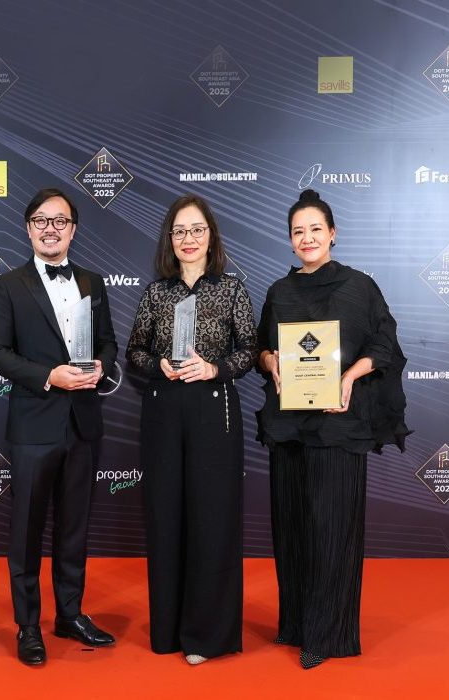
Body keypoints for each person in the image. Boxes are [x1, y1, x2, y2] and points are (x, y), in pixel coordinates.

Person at [256, 189, 410, 669]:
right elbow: (263, 348)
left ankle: (328, 634)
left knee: (331, 528)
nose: (307, 238)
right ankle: (296, 624)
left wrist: (348, 377)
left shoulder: (359, 287)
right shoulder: (279, 292)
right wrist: (272, 364)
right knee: (292, 527)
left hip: (339, 426)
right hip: (289, 426)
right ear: (290, 239)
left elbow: (385, 344)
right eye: (298, 231)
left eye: (315, 229)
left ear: (333, 234)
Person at [0, 188, 118, 666]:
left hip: (83, 423)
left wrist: (101, 365)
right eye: (41, 220)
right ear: (28, 228)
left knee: (74, 527)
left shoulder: (93, 282)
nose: (50, 229)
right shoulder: (8, 286)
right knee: (26, 531)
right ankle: (27, 625)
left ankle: (70, 614)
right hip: (34, 425)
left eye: (60, 221)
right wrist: (48, 376)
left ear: (73, 229)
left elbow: (109, 343)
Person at [126, 193, 257, 665]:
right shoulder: (156, 292)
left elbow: (250, 350)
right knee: (166, 519)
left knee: (211, 519)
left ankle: (206, 635)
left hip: (213, 411)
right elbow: (134, 351)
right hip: (163, 410)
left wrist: (215, 369)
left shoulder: (232, 290)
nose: (188, 238)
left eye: (197, 229)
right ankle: (168, 630)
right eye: (179, 231)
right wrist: (157, 364)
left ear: (211, 236)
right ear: (170, 238)